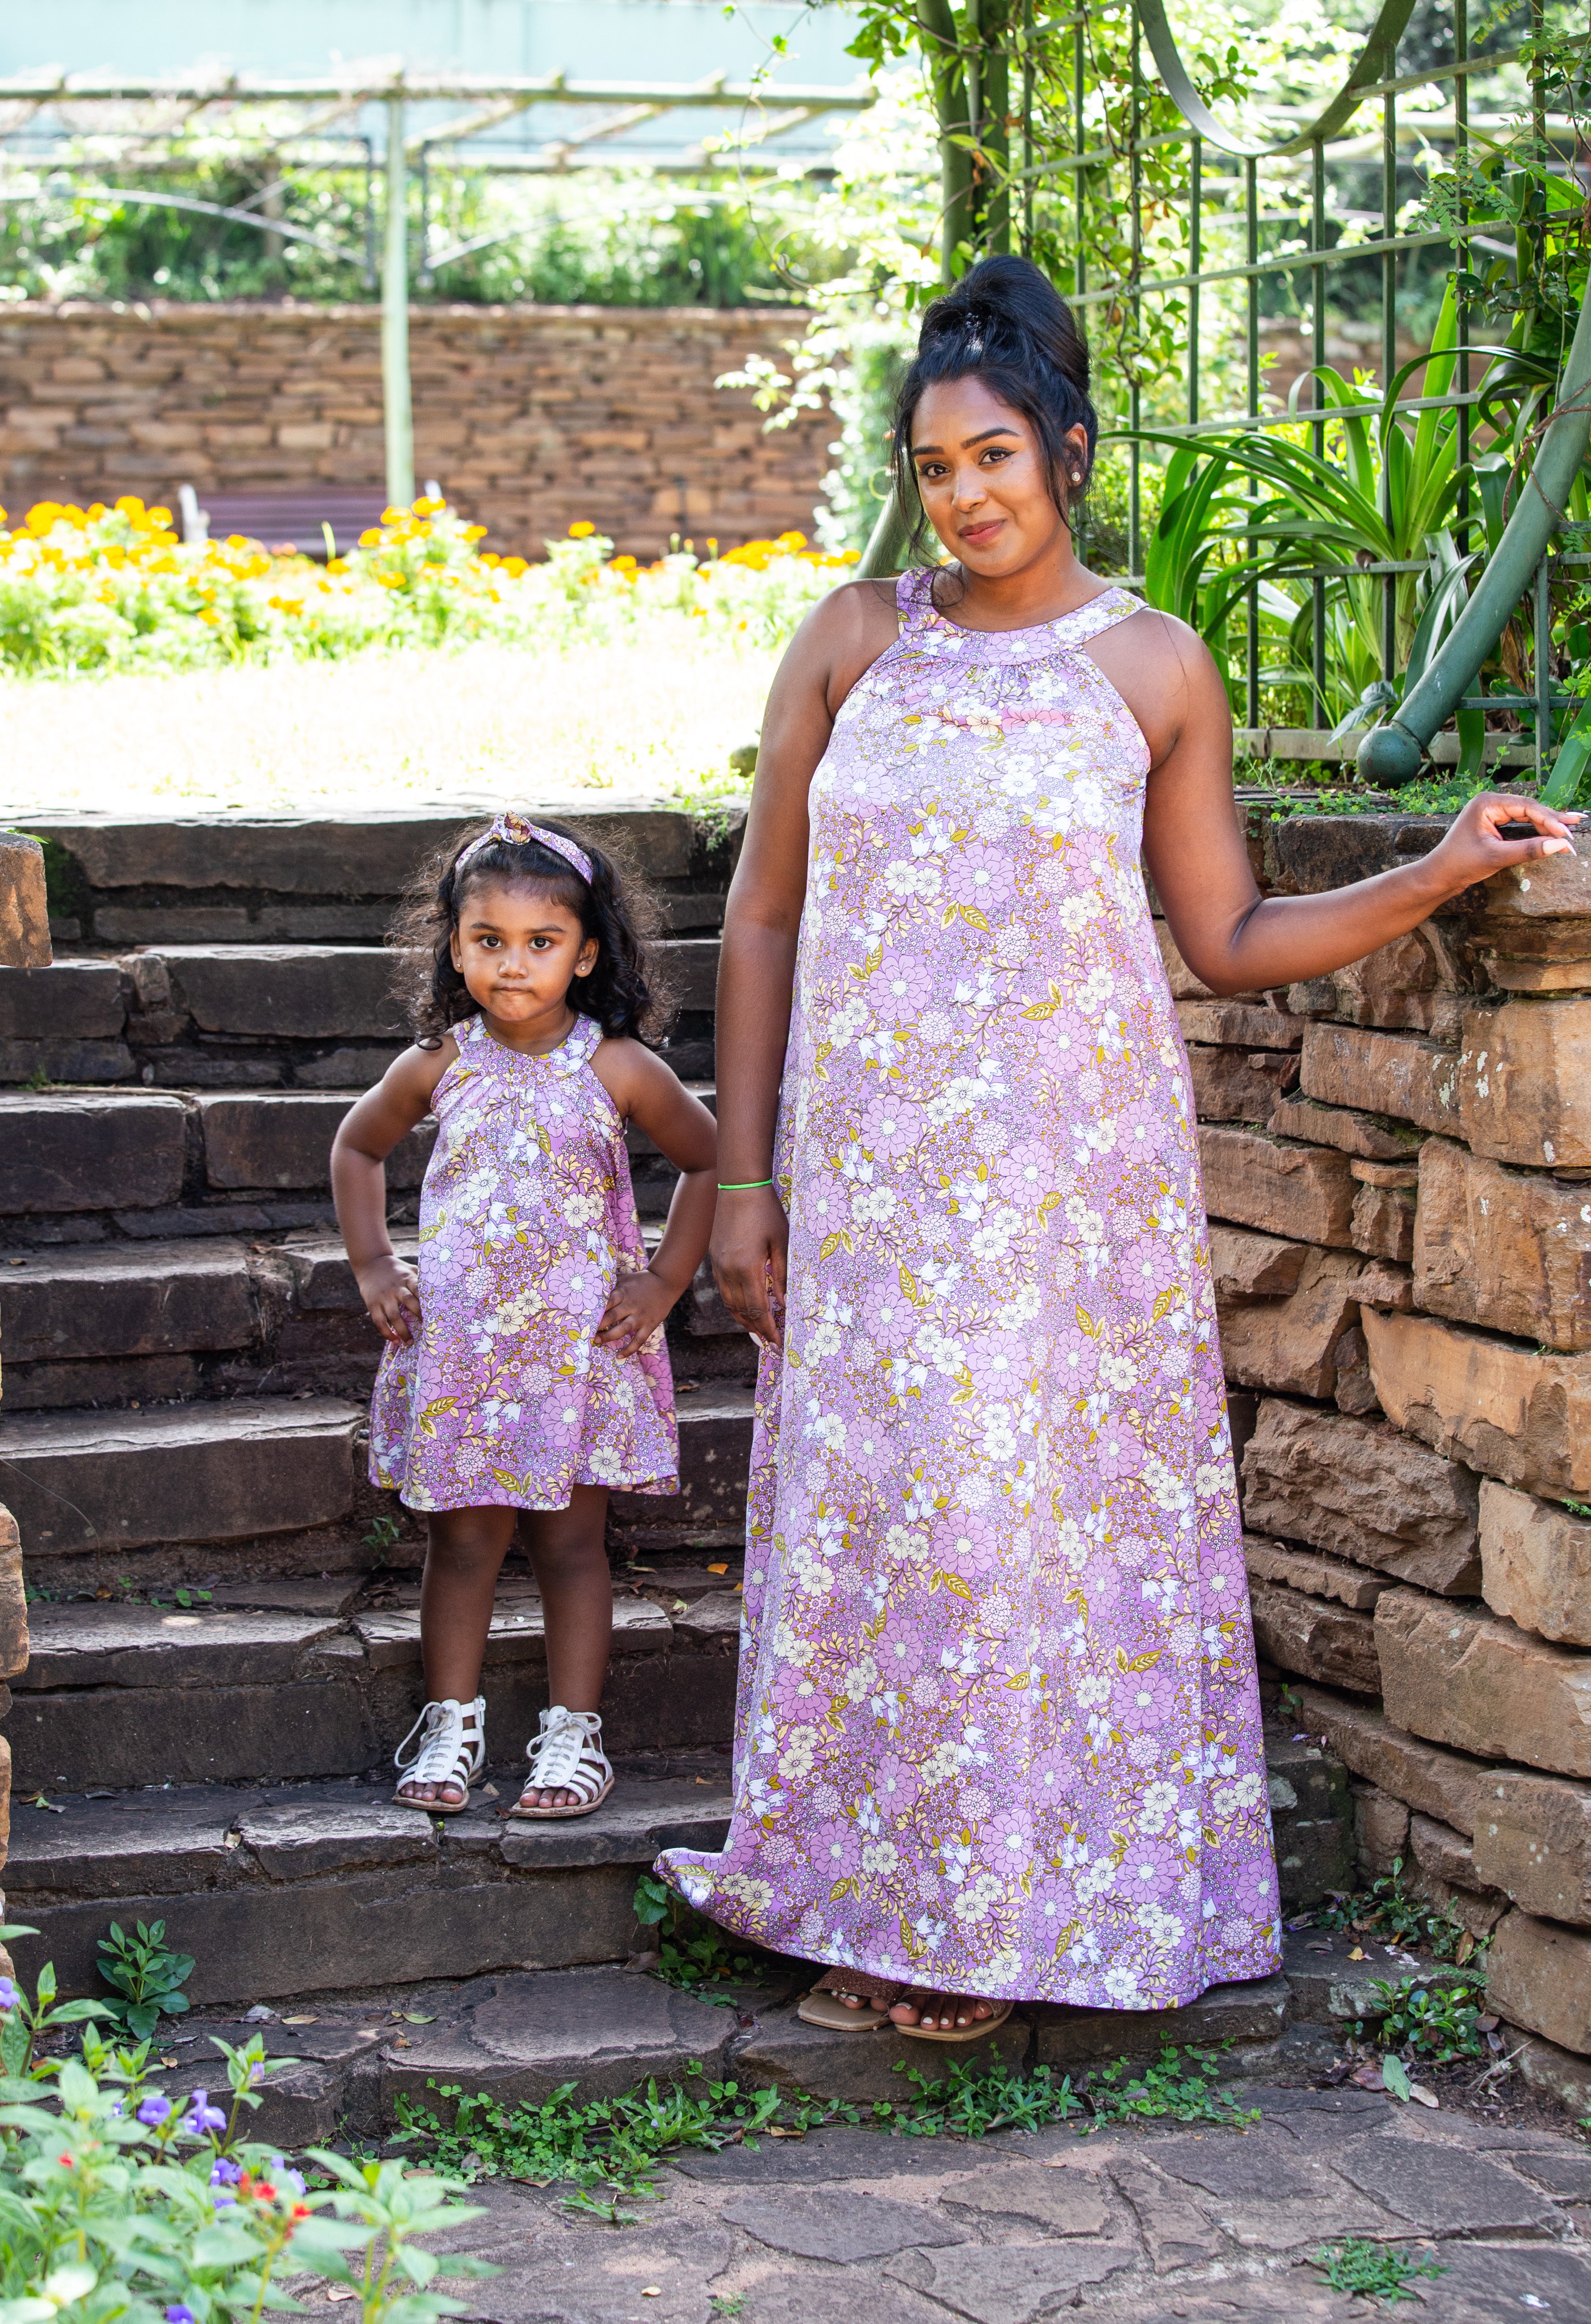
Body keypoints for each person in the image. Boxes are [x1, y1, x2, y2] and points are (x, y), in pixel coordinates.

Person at [654, 254, 1579, 2038]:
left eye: (994, 456)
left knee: (1018, 1533)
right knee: (878, 1528)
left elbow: (1224, 936)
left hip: (1066, 1194)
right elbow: (761, 916)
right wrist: (745, 1180)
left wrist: (1439, 867)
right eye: (934, 467)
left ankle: (1007, 1918)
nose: (965, 495)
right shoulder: (851, 641)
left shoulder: (1150, 665)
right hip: (867, 1183)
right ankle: (878, 1895)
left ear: (1067, 452)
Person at [332, 813, 717, 1819]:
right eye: (488, 940)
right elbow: (357, 1147)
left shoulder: (615, 1066)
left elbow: (709, 1158)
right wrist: (374, 1261)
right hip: (465, 1356)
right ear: (456, 949)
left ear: (584, 954)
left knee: (570, 1545)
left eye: (541, 942)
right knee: (461, 1545)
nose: (512, 964)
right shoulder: (439, 1061)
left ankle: (573, 1736)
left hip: (572, 1358)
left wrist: (664, 1281)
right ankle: (450, 1723)